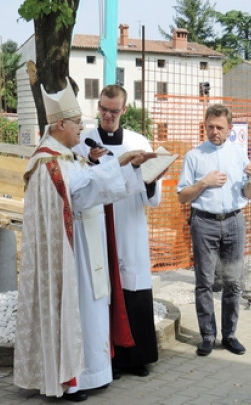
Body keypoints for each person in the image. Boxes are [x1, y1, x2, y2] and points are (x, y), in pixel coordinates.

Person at [14, 79, 155, 402]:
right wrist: (117, 164)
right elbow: (78, 192)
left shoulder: (66, 156)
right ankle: (72, 380)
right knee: (77, 312)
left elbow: (91, 189)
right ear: (60, 124)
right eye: (77, 123)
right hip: (68, 253)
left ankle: (94, 372)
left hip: (85, 247)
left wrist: (125, 167)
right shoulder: (47, 161)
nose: (82, 129)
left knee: (93, 311)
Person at [74, 84, 161, 378]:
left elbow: (154, 197)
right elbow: (79, 182)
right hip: (97, 222)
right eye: (103, 109)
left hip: (130, 222)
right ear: (98, 106)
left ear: (125, 110)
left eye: (114, 111)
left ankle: (136, 357)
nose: (108, 116)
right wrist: (92, 161)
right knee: (103, 289)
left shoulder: (139, 141)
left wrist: (150, 179)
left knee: (132, 286)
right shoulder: (83, 141)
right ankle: (106, 360)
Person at [176, 104, 251, 356]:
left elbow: (248, 193)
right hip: (204, 223)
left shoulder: (238, 154)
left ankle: (229, 334)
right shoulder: (194, 156)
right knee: (205, 282)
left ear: (229, 129)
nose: (214, 131)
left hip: (234, 221)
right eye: (210, 126)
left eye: (219, 127)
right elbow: (182, 196)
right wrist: (204, 183)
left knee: (233, 281)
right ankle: (208, 335)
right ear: (205, 125)